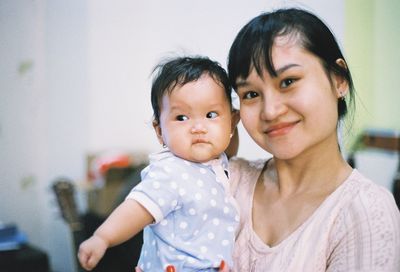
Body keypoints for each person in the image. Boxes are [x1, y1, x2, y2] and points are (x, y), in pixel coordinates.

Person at [225, 7, 400, 271]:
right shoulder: (228, 182)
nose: (270, 110)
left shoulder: (364, 211)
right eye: (250, 94)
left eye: (288, 82)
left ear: (339, 79)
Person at [78, 56, 240, 271]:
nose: (198, 127)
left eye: (211, 114)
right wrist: (102, 237)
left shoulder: (215, 163)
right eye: (182, 118)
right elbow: (138, 207)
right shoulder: (171, 171)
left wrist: (229, 127)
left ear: (232, 121)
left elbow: (228, 145)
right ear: (159, 131)